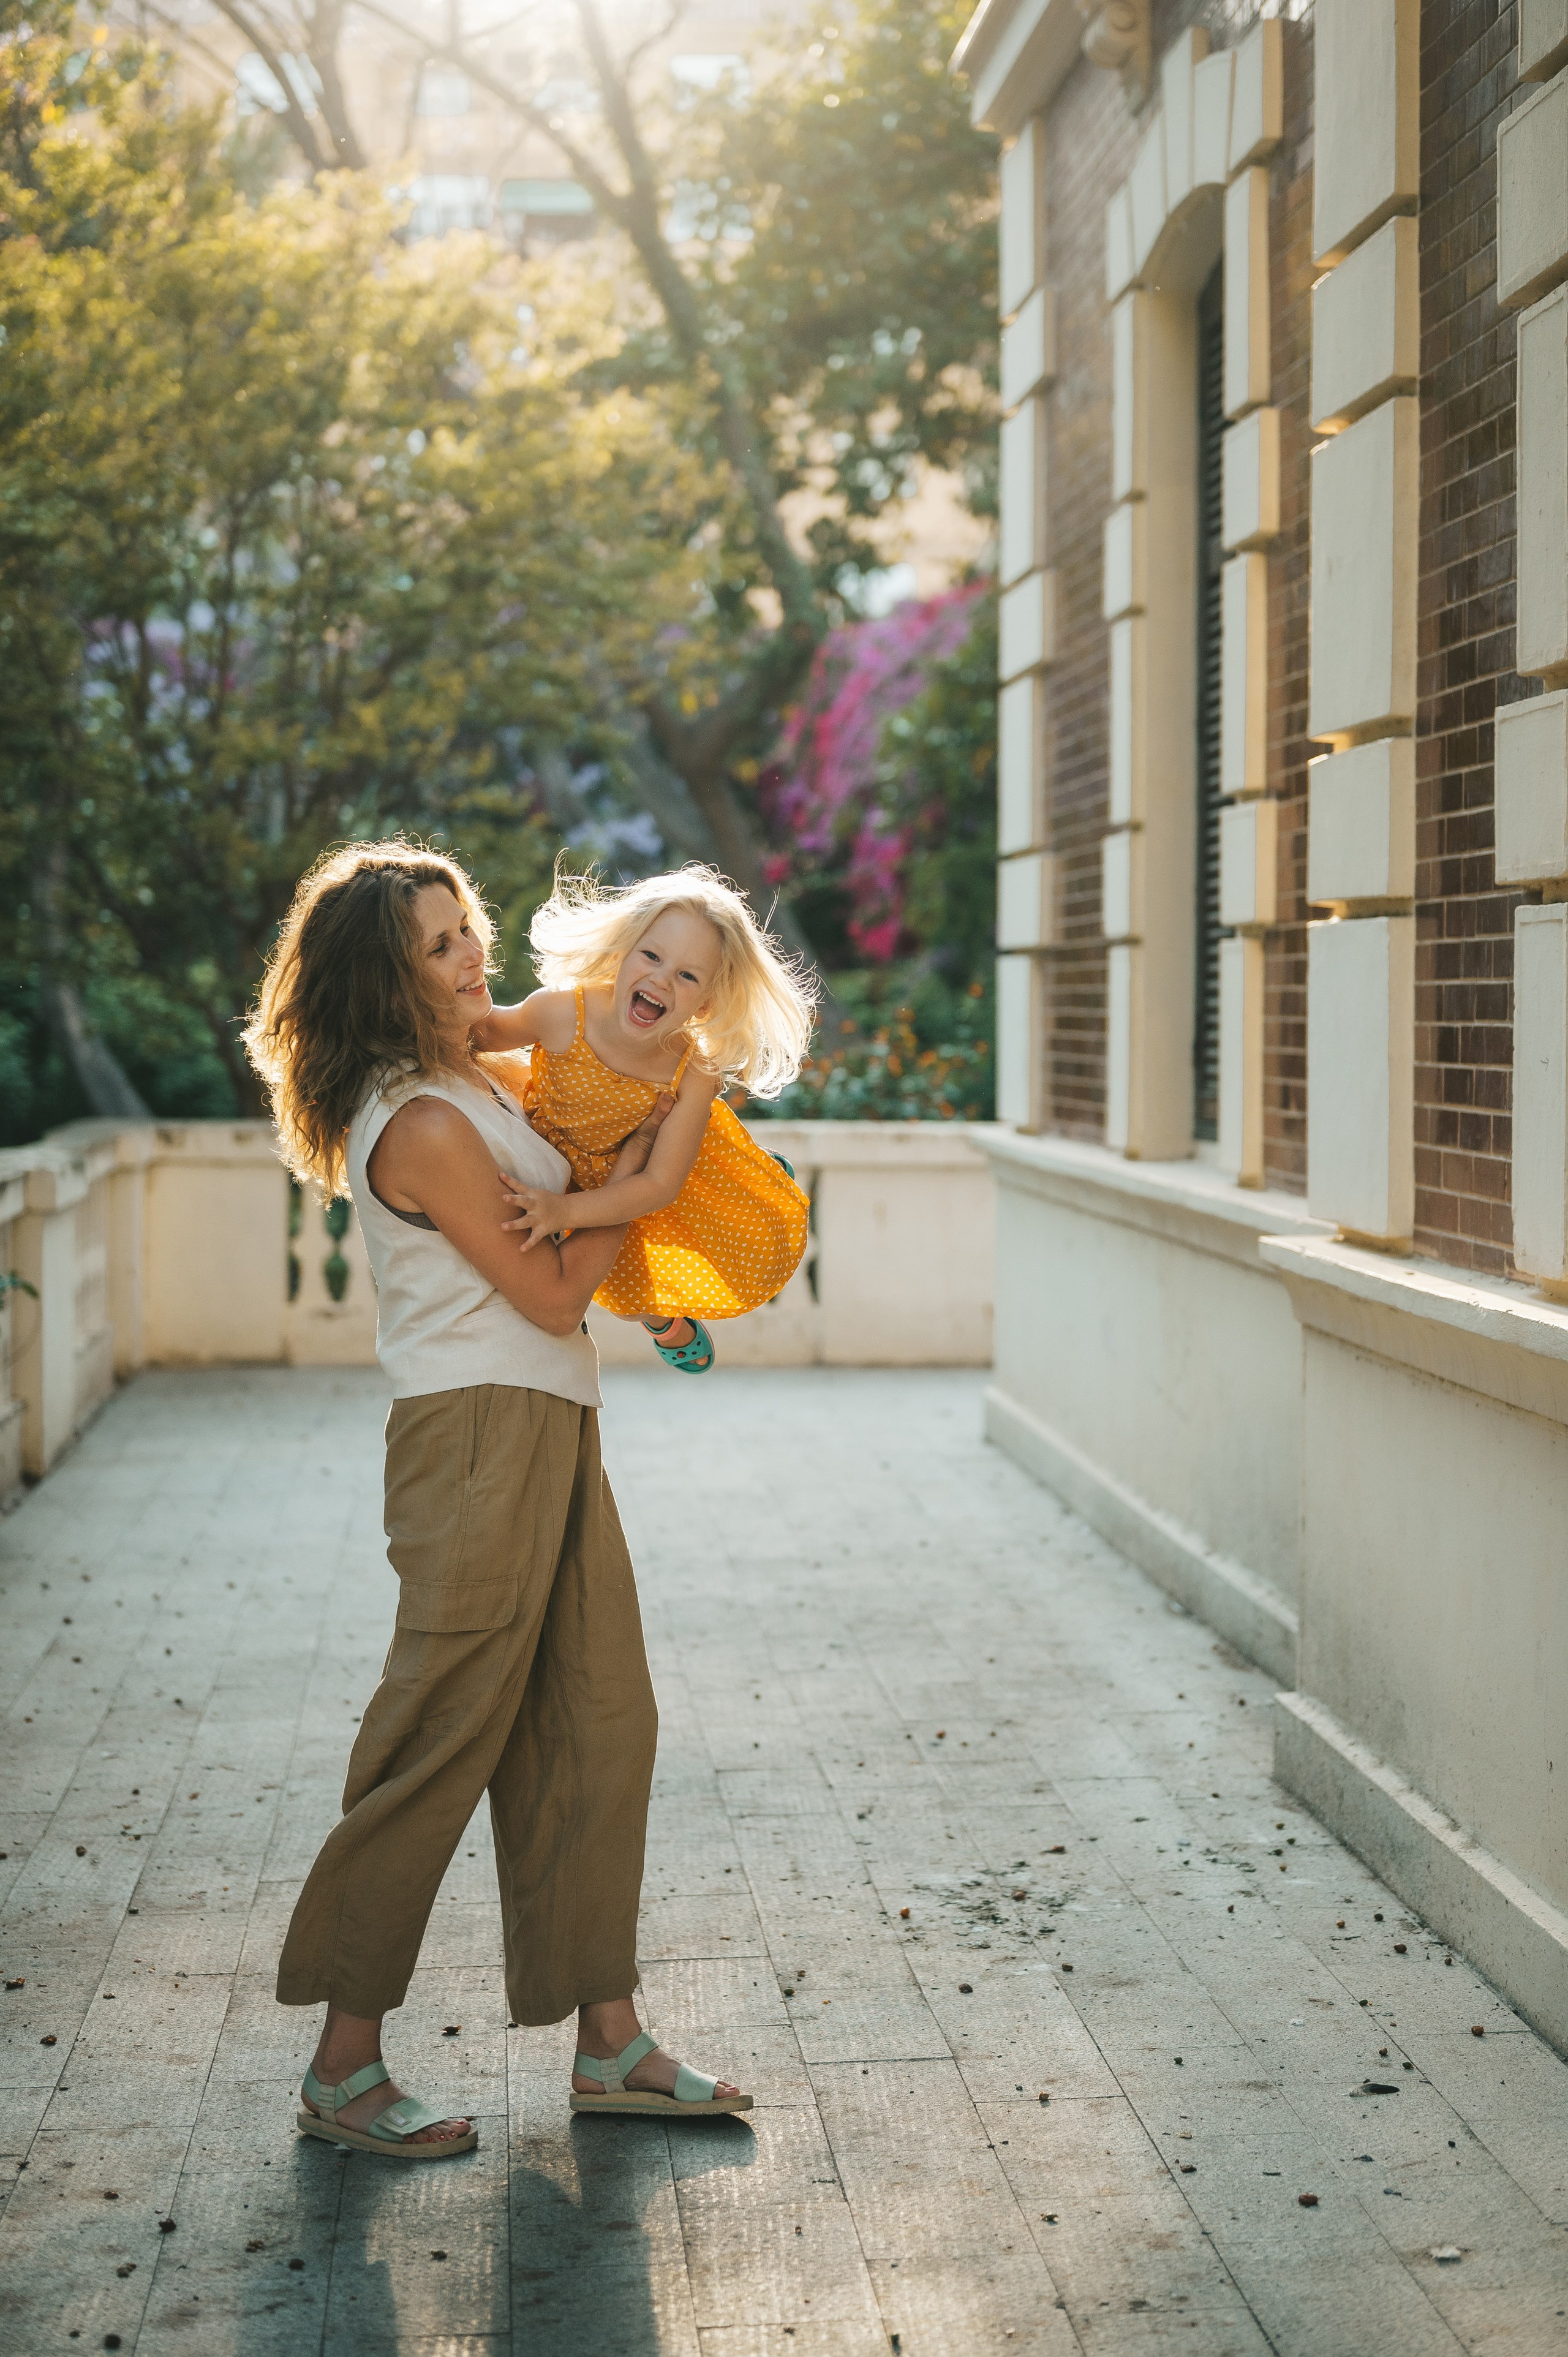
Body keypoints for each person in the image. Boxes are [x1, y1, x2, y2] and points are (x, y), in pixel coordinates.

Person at [243, 839, 751, 2161]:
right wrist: (631, 1187)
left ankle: (611, 2044)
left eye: (468, 927)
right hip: (474, 1432)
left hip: (548, 1419)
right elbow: (542, 1288)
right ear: (386, 982)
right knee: (441, 1733)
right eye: (440, 946)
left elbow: (595, 1123)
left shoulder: (476, 1082)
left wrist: (639, 1157)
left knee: (598, 1719)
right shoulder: (418, 1120)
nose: (475, 957)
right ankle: (343, 2066)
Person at [475, 864, 815, 1376]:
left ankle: (746, 1185)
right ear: (622, 952)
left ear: (707, 1003)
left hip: (645, 1183)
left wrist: (566, 1214)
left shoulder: (692, 1073)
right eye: (652, 956)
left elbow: (658, 1186)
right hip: (570, 1171)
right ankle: (749, 1181)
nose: (661, 979)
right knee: (616, 1289)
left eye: (688, 976)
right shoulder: (561, 1013)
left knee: (642, 1294)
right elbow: (481, 1035)